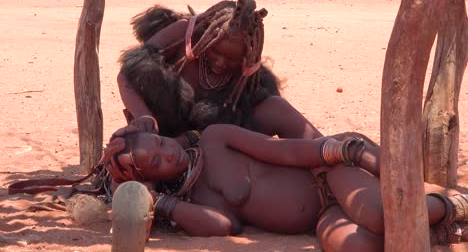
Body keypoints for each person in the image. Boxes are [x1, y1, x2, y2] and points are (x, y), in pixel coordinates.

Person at [104, 124, 468, 252]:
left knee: (374, 214)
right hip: (323, 216)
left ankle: (458, 204)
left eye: (163, 143)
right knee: (356, 246)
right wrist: (160, 202)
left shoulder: (216, 138)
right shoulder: (190, 201)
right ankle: (438, 231)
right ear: (148, 177)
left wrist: (349, 150)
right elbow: (226, 226)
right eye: (157, 162)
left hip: (326, 171)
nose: (169, 154)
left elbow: (283, 148)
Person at [116, 0, 322, 150]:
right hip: (161, 143)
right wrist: (144, 116)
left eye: (233, 59)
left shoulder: (249, 76)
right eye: (215, 51)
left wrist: (190, 140)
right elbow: (127, 76)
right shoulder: (184, 34)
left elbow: (233, 124)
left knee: (278, 107)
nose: (222, 62)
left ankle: (332, 152)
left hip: (215, 147)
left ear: (248, 57)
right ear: (205, 35)